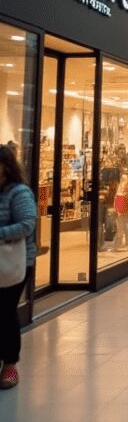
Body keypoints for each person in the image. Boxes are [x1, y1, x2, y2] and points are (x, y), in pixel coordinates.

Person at [0, 144, 37, 390]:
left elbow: (27, 224)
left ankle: (10, 364)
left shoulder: (19, 193)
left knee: (4, 312)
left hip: (14, 263)